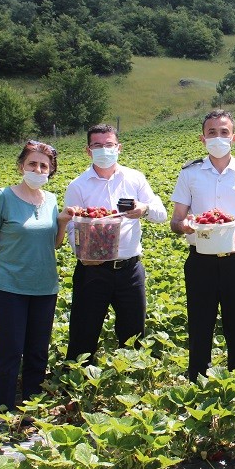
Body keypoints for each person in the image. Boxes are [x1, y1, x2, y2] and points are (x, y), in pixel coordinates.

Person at [0, 140, 73, 426]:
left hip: (45, 287)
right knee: (9, 351)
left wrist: (64, 223)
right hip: (9, 287)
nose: (38, 169)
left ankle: (32, 406)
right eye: (32, 164)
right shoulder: (3, 197)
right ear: (21, 166)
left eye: (44, 166)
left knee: (37, 350)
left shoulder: (52, 200)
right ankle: (2, 411)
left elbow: (53, 244)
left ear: (50, 171)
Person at [170, 109, 235, 381]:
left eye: (224, 132)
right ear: (203, 139)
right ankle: (196, 383)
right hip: (200, 260)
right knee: (199, 325)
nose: (218, 137)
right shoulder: (190, 174)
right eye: (211, 132)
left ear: (233, 137)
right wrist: (185, 226)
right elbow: (176, 221)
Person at [64, 124, 167, 363]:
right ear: (88, 151)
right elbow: (71, 227)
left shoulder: (135, 178)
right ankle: (75, 388)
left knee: (133, 335)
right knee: (83, 333)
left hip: (129, 270)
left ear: (118, 148)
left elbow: (161, 214)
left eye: (109, 145)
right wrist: (80, 253)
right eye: (97, 145)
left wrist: (144, 209)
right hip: (92, 270)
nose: (104, 150)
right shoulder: (78, 185)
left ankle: (132, 379)